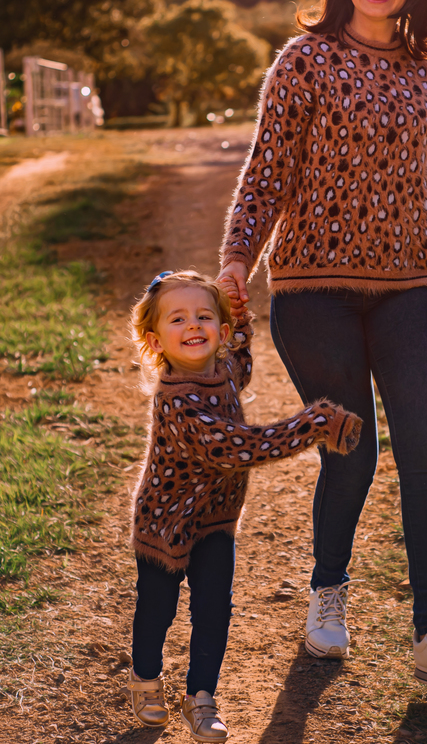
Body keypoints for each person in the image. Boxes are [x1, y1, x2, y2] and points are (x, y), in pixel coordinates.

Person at [217, 0, 427, 700]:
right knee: (353, 448)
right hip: (314, 292)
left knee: (425, 453)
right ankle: (328, 592)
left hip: (410, 287)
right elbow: (265, 173)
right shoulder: (304, 61)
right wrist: (233, 264)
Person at [125, 270, 362, 741]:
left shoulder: (222, 367)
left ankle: (201, 696)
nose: (194, 325)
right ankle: (146, 678)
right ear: (155, 340)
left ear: (220, 327)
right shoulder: (178, 402)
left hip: (217, 521)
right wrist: (312, 423)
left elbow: (240, 361)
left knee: (214, 610)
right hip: (165, 525)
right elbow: (239, 448)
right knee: (158, 608)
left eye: (204, 316)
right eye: (178, 319)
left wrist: (242, 318)